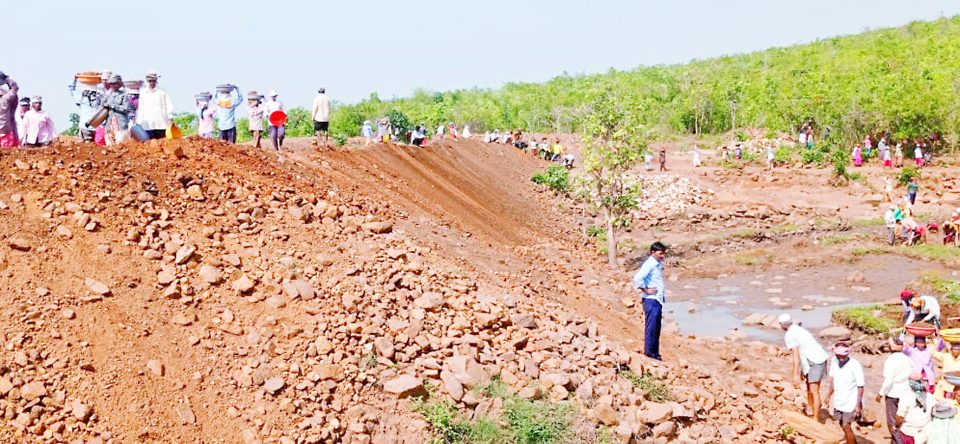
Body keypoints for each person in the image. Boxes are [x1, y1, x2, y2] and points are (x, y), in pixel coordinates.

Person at [779, 313, 829, 421]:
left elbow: (796, 357)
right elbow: (803, 352)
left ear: (782, 325)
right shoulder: (797, 329)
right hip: (812, 360)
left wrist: (795, 376)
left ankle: (815, 418)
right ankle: (811, 410)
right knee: (809, 386)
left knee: (814, 390)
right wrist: (803, 370)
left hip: (816, 360)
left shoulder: (789, 335)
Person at [634, 242, 668, 361]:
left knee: (656, 327)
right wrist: (646, 290)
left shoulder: (656, 264)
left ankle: (655, 353)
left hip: (656, 300)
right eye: (660, 253)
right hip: (651, 300)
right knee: (652, 327)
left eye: (663, 253)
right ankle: (649, 353)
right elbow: (637, 278)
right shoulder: (650, 264)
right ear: (652, 253)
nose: (663, 256)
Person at [825, 342, 865, 444]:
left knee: (846, 425)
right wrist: (828, 395)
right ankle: (852, 441)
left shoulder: (855, 365)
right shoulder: (834, 362)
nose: (841, 358)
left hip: (851, 401)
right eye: (838, 356)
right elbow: (833, 380)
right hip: (839, 400)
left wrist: (858, 405)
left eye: (843, 356)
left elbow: (860, 386)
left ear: (847, 354)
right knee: (841, 423)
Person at [880, 348, 914, 444]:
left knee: (892, 422)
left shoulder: (890, 360)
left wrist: (881, 393)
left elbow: (889, 380)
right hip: (906, 392)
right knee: (903, 419)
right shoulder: (908, 359)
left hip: (893, 393)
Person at [136, 71, 174, 140]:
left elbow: (168, 105)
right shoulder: (143, 92)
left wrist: (170, 117)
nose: (151, 82)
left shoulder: (162, 91)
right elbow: (141, 108)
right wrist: (139, 122)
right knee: (149, 143)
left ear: (156, 80)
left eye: (153, 81)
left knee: (162, 142)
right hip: (148, 124)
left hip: (161, 123)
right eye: (150, 81)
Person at [896, 375, 934, 444]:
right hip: (925, 434)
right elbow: (934, 415)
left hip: (909, 433)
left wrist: (896, 426)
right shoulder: (931, 397)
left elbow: (900, 417)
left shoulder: (906, 396)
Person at [102, 75, 133, 146]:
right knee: (109, 143)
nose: (113, 85)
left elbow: (126, 108)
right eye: (111, 84)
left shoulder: (124, 95)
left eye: (115, 83)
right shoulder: (108, 94)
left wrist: (113, 106)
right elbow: (102, 104)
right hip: (110, 123)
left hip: (120, 123)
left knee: (121, 143)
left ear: (119, 84)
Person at [0, 72, 20, 148]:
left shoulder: (6, 99)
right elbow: (15, 87)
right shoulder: (6, 99)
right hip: (5, 131)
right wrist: (6, 79)